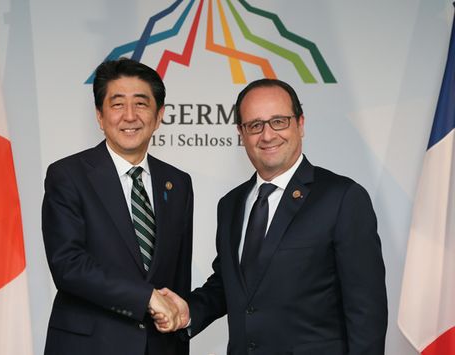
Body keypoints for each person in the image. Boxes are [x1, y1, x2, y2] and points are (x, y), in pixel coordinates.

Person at [155, 78, 388, 354]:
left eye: (279, 121)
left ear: (300, 124)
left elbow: (366, 311)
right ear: (241, 133)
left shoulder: (342, 198)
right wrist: (188, 311)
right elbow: (229, 285)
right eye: (255, 125)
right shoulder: (230, 204)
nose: (267, 135)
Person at [42, 58, 193, 355]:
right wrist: (146, 296)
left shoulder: (177, 183)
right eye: (117, 104)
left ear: (159, 115)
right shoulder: (68, 175)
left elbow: (178, 278)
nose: (130, 116)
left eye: (141, 103)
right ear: (100, 117)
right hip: (89, 346)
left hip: (158, 347)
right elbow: (68, 265)